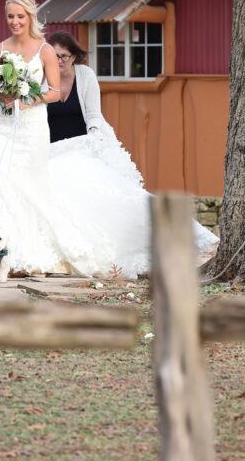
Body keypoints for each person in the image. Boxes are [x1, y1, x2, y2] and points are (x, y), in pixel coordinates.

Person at [45, 31, 219, 277]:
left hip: (82, 146)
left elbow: (93, 113)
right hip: (51, 151)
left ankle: (176, 238)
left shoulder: (85, 76)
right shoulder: (41, 78)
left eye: (64, 56)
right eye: (54, 55)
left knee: (121, 198)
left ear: (74, 57)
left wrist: (94, 135)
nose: (59, 60)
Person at [0, 0, 102, 276]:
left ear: (31, 17)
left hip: (33, 126)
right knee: (1, 184)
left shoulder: (45, 50)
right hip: (3, 126)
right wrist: (3, 96)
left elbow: (55, 91)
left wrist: (27, 98)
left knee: (31, 186)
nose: (15, 21)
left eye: (20, 16)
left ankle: (31, 252)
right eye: (10, 16)